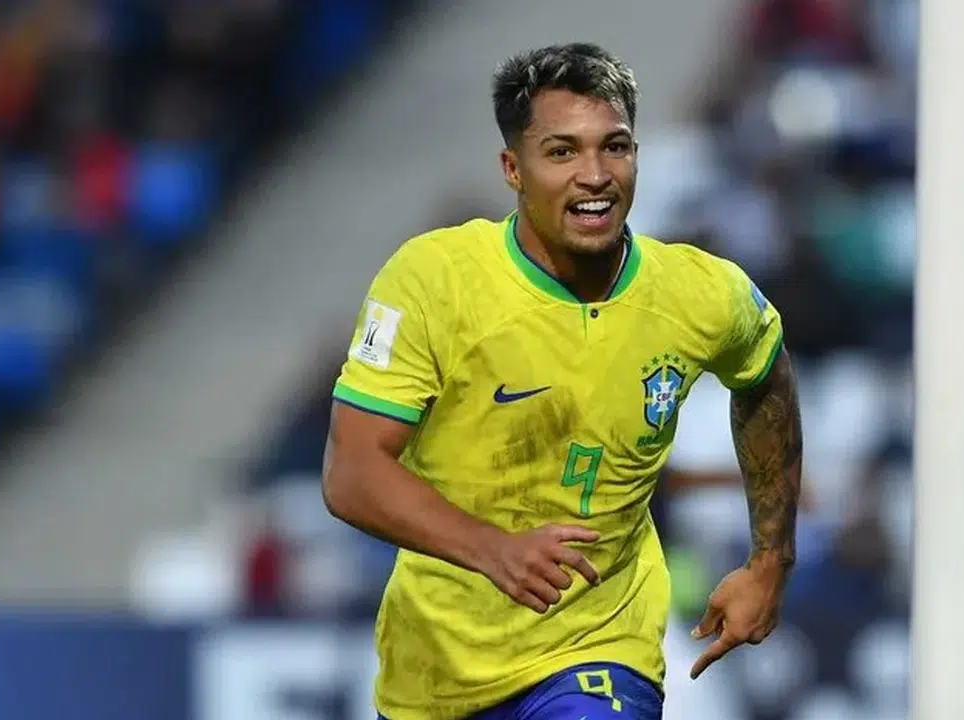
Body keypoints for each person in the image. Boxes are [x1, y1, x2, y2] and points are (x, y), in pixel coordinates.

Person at [322, 42, 804, 720]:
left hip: (600, 651)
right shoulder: (435, 281)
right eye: (562, 152)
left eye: (616, 147)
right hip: (436, 672)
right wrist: (495, 551)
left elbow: (766, 377)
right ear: (513, 169)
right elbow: (352, 472)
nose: (595, 175)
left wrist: (770, 561)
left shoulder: (699, 295)